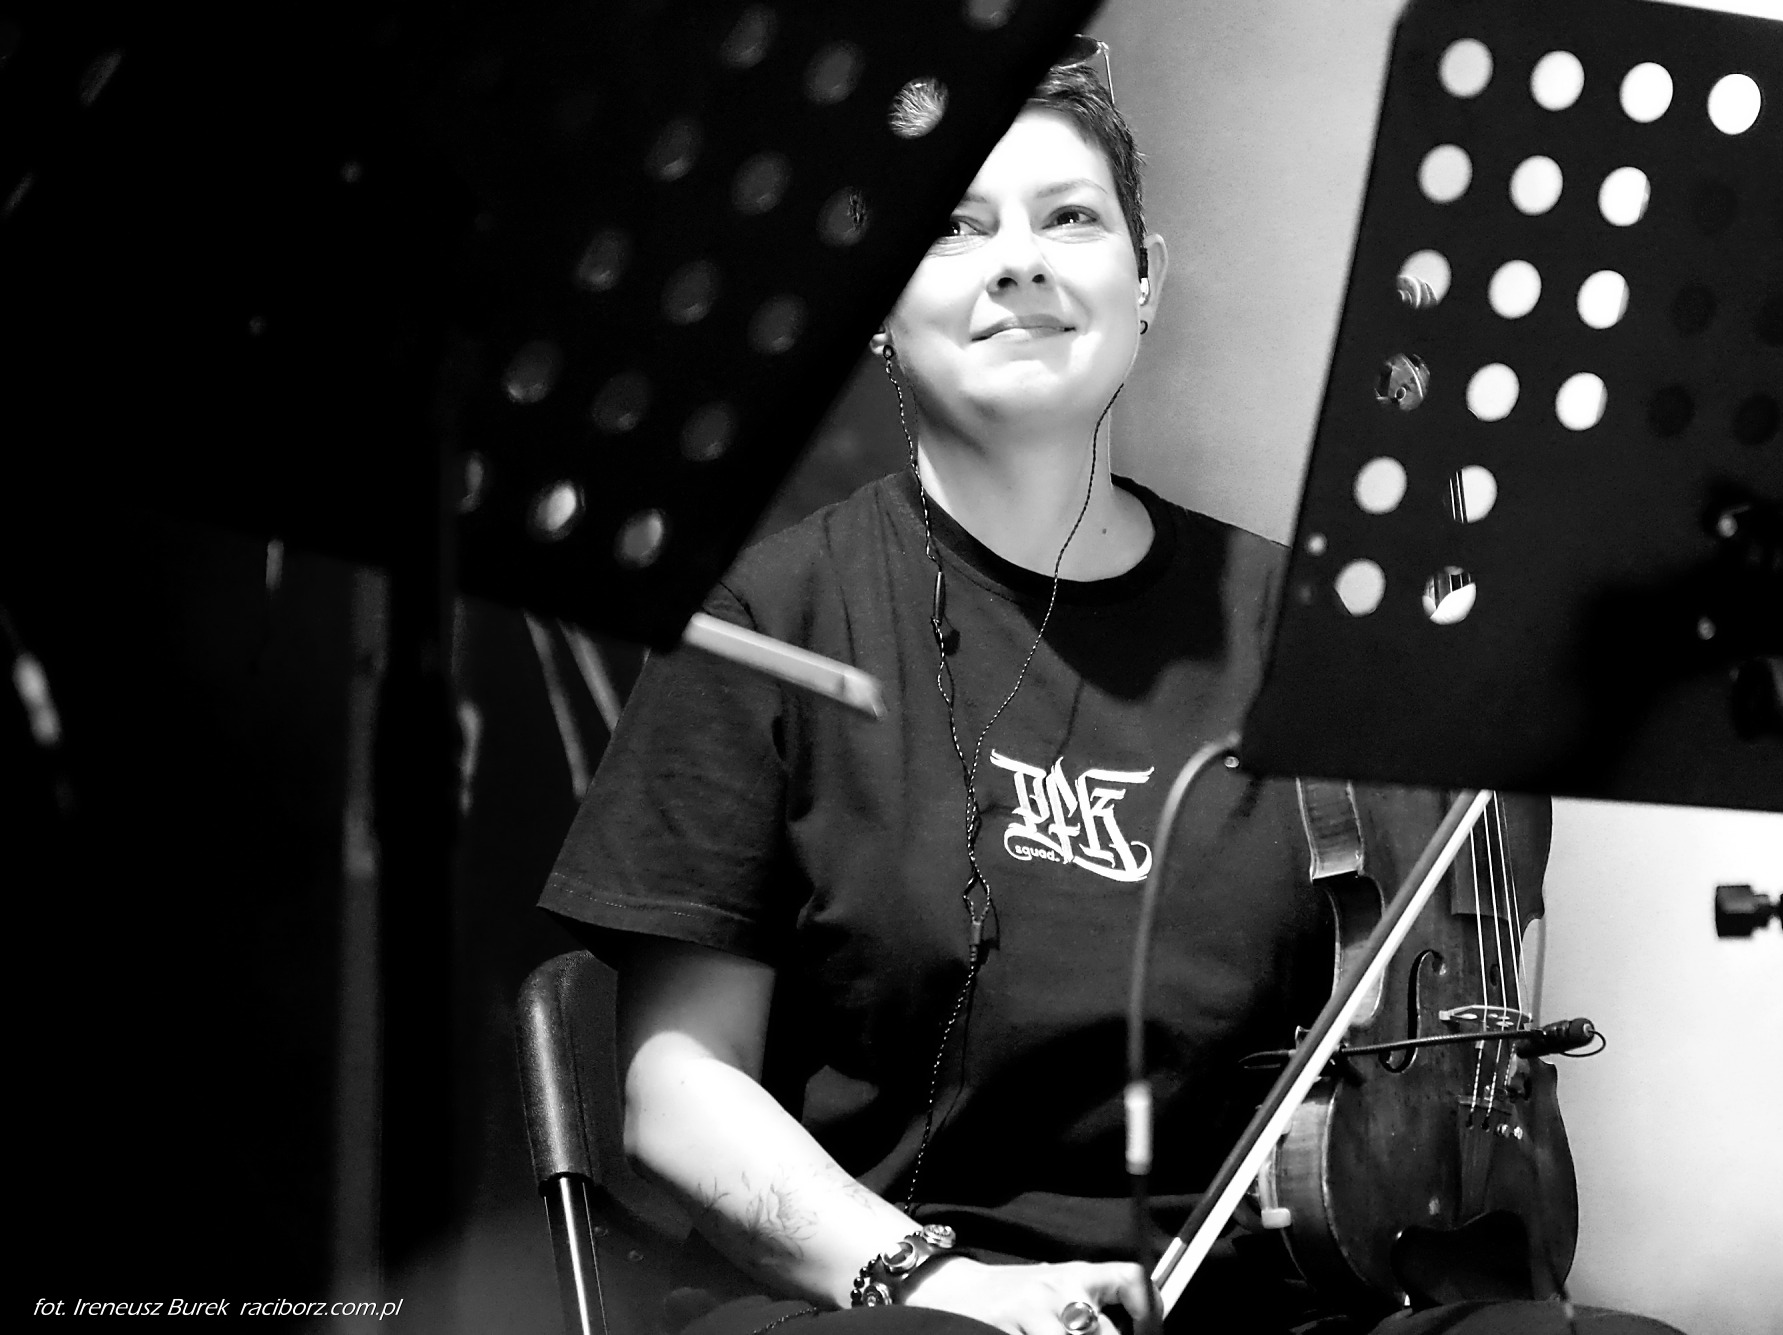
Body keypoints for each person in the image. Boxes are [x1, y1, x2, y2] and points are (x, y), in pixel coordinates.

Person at [539, 56, 1683, 1335]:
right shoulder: (767, 624)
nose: (1018, 264)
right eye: (956, 227)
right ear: (873, 302)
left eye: (1069, 218)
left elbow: (1465, 955)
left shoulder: (1302, 626)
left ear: (1144, 283)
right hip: (898, 1300)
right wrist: (941, 1284)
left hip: (1259, 1305)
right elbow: (677, 1095)